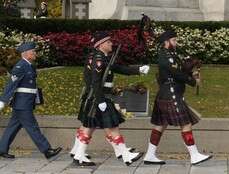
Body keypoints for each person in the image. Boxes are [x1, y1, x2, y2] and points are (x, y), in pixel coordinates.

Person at [70, 31, 150, 166]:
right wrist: (100, 100)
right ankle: (125, 154)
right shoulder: (99, 60)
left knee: (90, 126)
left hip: (98, 97)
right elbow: (95, 82)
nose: (111, 43)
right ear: (101, 45)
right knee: (111, 126)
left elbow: (119, 68)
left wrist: (139, 69)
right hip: (99, 97)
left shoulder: (104, 57)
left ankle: (79, 154)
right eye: (108, 42)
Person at [143, 30, 212, 165]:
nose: (176, 42)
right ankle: (194, 155)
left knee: (160, 125)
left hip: (166, 94)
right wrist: (192, 81)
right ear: (166, 42)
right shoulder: (165, 56)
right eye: (174, 40)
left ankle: (150, 155)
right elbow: (176, 74)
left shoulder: (172, 55)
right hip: (171, 94)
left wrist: (192, 68)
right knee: (185, 123)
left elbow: (180, 70)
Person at [0, 42, 62, 159]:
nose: (35, 53)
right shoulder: (20, 66)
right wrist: (2, 101)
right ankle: (47, 150)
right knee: (32, 127)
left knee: (13, 127)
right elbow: (11, 84)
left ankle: (2, 149)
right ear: (25, 53)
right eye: (33, 51)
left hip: (25, 102)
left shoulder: (29, 66)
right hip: (22, 103)